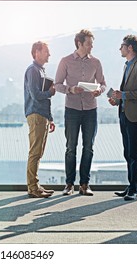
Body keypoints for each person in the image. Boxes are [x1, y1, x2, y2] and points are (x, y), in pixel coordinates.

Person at [55, 29, 106, 196]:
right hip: (72, 110)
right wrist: (71, 89)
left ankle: (84, 184)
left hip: (91, 110)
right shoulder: (65, 61)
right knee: (71, 147)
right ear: (79, 44)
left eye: (92, 43)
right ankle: (69, 184)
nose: (91, 46)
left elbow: (103, 83)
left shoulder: (96, 62)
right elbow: (57, 84)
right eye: (89, 43)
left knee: (88, 147)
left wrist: (100, 90)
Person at [108, 34, 137, 201]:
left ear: (130, 48)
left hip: (135, 116)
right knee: (128, 152)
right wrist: (117, 99)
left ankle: (134, 188)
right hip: (125, 113)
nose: (120, 48)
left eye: (122, 45)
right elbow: (127, 92)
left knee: (135, 153)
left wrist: (124, 94)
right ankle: (133, 185)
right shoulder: (127, 66)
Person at [24, 41, 56, 198]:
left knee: (38, 152)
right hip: (36, 114)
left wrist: (49, 118)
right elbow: (36, 95)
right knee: (35, 152)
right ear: (36, 52)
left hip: (42, 115)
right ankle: (32, 188)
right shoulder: (32, 70)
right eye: (46, 51)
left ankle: (35, 185)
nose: (49, 54)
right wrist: (50, 92)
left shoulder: (40, 70)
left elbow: (42, 97)